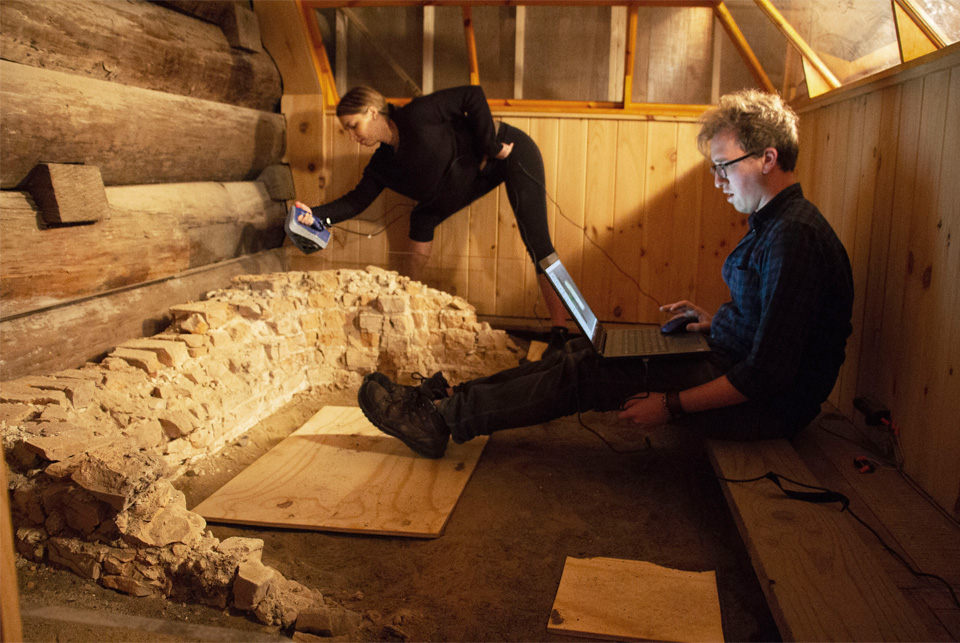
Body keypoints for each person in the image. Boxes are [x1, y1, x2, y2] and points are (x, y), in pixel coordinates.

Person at [356, 89, 855, 459]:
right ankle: (451, 403)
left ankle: (442, 421)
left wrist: (671, 405)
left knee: (590, 369)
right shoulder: (774, 223)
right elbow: (766, 325)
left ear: (768, 159)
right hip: (735, 361)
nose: (718, 180)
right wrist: (712, 321)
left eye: (724, 165)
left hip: (769, 406)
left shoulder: (794, 236)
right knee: (581, 348)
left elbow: (767, 373)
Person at [294, 84, 571, 346]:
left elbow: (472, 95)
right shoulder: (382, 164)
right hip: (465, 178)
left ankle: (560, 332)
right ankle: (408, 307)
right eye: (348, 132)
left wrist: (492, 147)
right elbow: (356, 201)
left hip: (508, 152)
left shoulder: (416, 115)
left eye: (354, 127)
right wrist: (315, 214)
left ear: (372, 112)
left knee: (538, 242)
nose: (353, 137)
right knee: (422, 218)